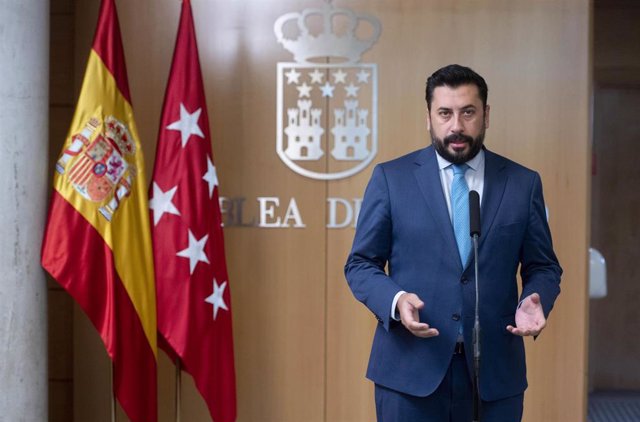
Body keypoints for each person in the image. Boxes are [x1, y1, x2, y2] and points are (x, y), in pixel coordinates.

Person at [344, 64, 562, 422]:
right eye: (445, 113)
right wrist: (396, 301)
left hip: (494, 377)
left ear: (486, 115)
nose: (456, 126)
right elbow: (360, 264)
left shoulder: (523, 183)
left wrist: (536, 297)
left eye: (468, 112)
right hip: (409, 375)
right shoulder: (391, 179)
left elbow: (543, 265)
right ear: (429, 117)